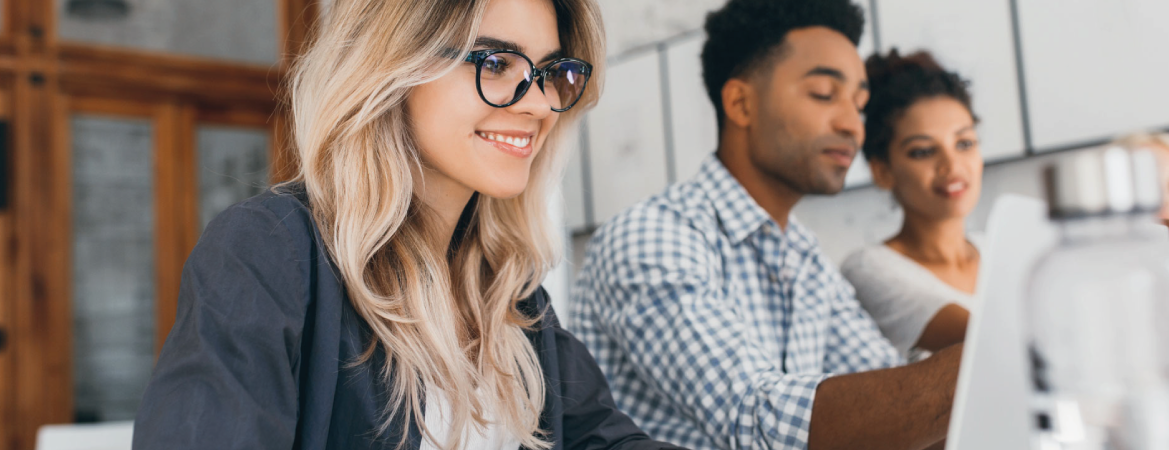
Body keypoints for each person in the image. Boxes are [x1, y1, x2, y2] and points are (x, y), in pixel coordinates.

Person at [132, 0, 684, 449]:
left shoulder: (510, 294)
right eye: (496, 64)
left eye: (550, 73)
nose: (539, 104)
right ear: (396, 63)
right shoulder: (269, 251)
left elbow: (604, 442)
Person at [570, 1, 961, 449]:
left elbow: (888, 387)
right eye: (823, 94)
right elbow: (754, 420)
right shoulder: (651, 237)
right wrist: (979, 367)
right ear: (740, 103)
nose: (852, 125)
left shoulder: (804, 255)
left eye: (860, 104)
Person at [840, 50, 982, 360]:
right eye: (923, 151)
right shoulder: (868, 270)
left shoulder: (998, 251)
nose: (952, 165)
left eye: (964, 143)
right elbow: (984, 341)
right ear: (883, 171)